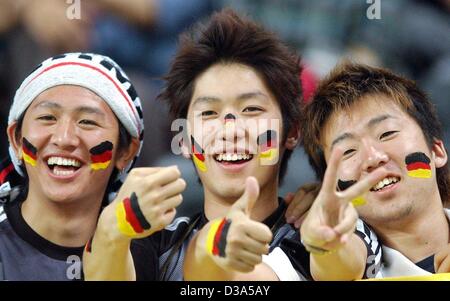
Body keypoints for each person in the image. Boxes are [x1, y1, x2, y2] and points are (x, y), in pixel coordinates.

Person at [84, 9, 311, 281]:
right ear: (184, 138)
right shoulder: (158, 243)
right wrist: (114, 226)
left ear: (293, 131)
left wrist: (211, 249)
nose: (229, 130)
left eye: (251, 109)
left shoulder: (318, 236)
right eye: (208, 113)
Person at [0, 52, 183, 280]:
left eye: (87, 121)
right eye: (47, 117)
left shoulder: (164, 252)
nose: (64, 138)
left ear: (126, 151)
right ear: (16, 140)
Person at [300, 62, 450, 279]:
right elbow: (338, 263)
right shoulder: (348, 260)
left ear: (437, 151)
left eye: (387, 133)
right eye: (348, 151)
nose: (372, 158)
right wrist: (325, 246)